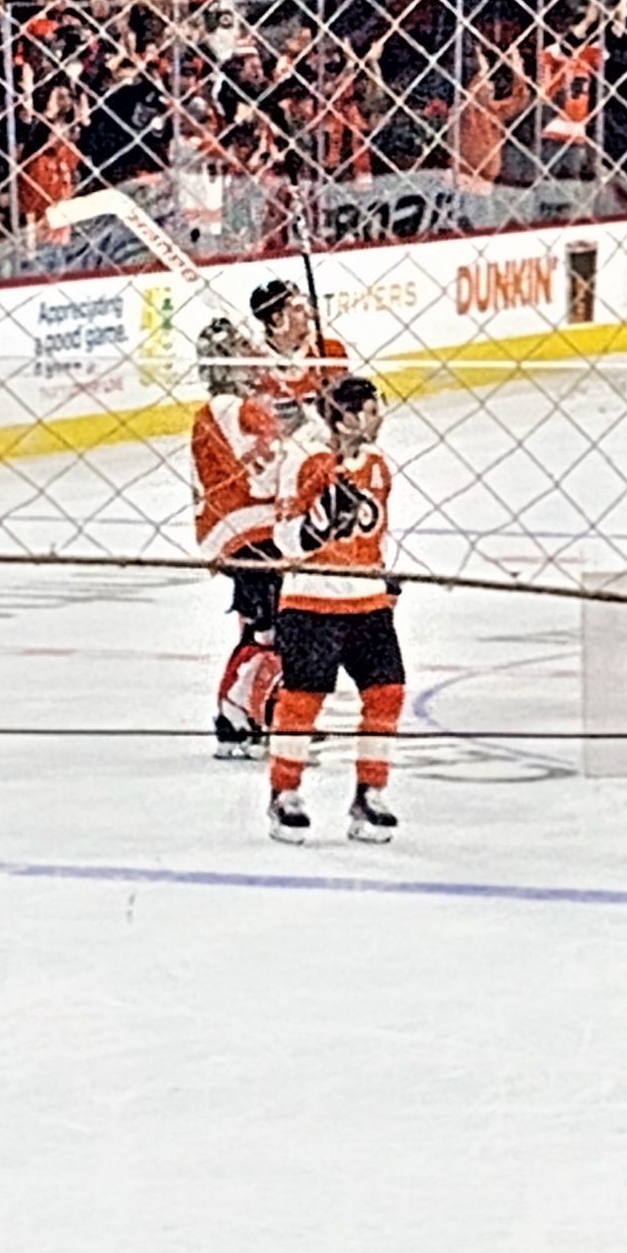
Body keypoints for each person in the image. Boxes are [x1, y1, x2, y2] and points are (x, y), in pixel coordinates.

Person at [266, 376, 403, 844]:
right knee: (303, 701)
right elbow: (284, 541)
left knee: (387, 692)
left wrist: (387, 575)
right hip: (311, 600)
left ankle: (370, 793)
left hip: (365, 599)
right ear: (343, 415)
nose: (378, 417)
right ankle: (284, 794)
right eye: (368, 409)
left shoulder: (379, 465)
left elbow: (379, 531)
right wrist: (318, 529)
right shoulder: (306, 460)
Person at [190, 318, 284, 757]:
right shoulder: (238, 409)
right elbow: (266, 478)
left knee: (265, 626)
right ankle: (237, 712)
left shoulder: (219, 408)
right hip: (252, 530)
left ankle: (249, 711)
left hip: (235, 531)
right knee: (271, 628)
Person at [247, 279, 347, 430]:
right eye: (298, 308)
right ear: (277, 319)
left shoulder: (327, 351)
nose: (309, 314)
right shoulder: (251, 364)